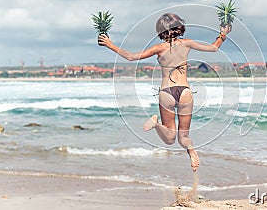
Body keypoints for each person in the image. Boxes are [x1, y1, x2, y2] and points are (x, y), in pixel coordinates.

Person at [98, 13, 231, 172]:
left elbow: (132, 57)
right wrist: (223, 33)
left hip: (167, 92)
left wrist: (110, 45)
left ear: (160, 31)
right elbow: (214, 48)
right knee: (183, 137)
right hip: (185, 92)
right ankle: (192, 152)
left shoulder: (158, 48)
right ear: (179, 27)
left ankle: (156, 124)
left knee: (169, 139)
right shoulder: (187, 43)